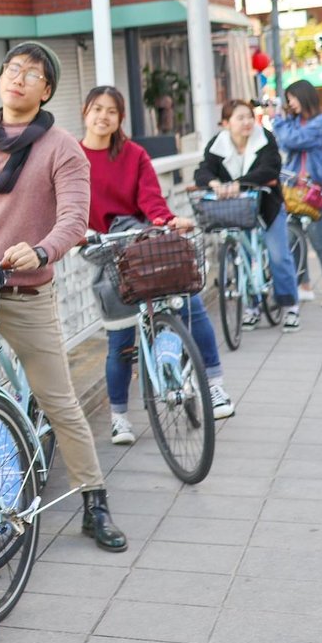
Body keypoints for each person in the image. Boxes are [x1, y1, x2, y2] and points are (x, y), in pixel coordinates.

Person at [0, 44, 127, 553]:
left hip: (27, 295)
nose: (19, 79)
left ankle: (94, 502)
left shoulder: (61, 147)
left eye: (32, 74)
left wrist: (43, 251)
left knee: (58, 401)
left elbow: (75, 219)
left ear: (46, 90)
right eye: (12, 70)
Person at [79, 86, 232, 448]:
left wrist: (166, 219)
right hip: (102, 247)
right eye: (97, 109)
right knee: (120, 341)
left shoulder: (132, 154)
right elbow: (65, 202)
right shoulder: (72, 157)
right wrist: (75, 233)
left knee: (191, 304)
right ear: (85, 112)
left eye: (111, 111)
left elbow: (150, 197)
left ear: (120, 119)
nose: (103, 116)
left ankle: (215, 384)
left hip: (141, 241)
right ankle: (119, 417)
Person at [196, 98, 302, 331]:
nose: (246, 122)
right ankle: (252, 306)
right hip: (237, 210)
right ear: (226, 123)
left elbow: (270, 169)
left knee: (277, 255)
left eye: (249, 117)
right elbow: (203, 170)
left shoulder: (265, 138)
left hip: (268, 206)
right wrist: (213, 183)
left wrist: (239, 183)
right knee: (242, 255)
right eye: (239, 118)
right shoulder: (218, 144)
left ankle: (291, 305)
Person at [272, 79, 322, 307]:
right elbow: (284, 144)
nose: (290, 103)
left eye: (292, 98)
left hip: (315, 188)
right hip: (292, 187)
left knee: (317, 238)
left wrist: (277, 120)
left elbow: (293, 141)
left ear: (304, 97)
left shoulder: (320, 122)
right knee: (293, 238)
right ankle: (305, 286)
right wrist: (283, 121)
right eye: (288, 99)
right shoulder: (293, 121)